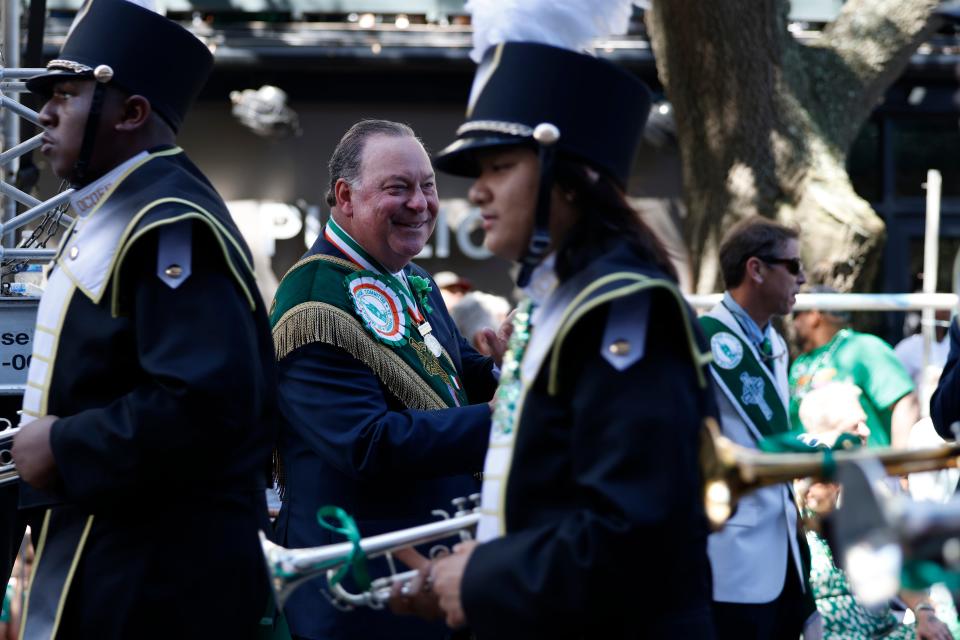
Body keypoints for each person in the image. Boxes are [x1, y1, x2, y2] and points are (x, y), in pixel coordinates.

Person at [395, 25, 718, 637]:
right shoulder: (556, 304)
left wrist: (481, 576)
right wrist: (470, 573)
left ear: (571, 180)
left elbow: (633, 527)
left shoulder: (623, 309)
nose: (480, 190)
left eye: (501, 165)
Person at [10, 0, 278, 636]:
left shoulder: (170, 223)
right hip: (121, 561)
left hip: (159, 582)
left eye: (67, 95)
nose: (44, 113)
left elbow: (205, 404)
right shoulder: (133, 206)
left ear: (131, 113)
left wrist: (62, 444)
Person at [269, 119, 502, 640]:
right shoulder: (313, 299)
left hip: (431, 573)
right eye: (397, 188)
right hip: (361, 592)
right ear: (345, 197)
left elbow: (463, 373)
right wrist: (503, 419)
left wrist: (518, 371)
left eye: (427, 186)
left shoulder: (413, 280)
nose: (419, 203)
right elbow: (366, 444)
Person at [700, 216, 818, 639]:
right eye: (793, 266)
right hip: (733, 558)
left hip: (782, 551)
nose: (801, 278)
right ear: (756, 268)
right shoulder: (703, 339)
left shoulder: (776, 342)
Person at [797, 382, 955, 640]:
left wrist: (924, 612)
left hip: (881, 624)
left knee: (943, 606)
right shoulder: (797, 481)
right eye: (854, 425)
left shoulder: (866, 485)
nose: (866, 431)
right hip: (827, 631)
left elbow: (898, 566)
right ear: (823, 432)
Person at [791, 285, 920, 449]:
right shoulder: (800, 363)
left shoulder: (864, 347)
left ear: (813, 315)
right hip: (808, 469)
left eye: (796, 315)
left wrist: (900, 466)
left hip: (867, 468)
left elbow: (905, 402)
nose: (793, 323)